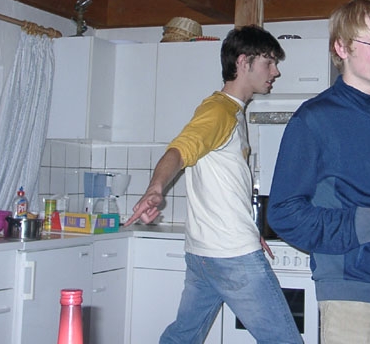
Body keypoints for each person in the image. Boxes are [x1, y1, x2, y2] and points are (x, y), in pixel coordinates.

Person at [267, 0, 370, 344]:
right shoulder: (313, 119)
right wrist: (366, 223)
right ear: (341, 48)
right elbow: (284, 213)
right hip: (354, 298)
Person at [125, 25, 302, 344]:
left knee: (183, 337)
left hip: (203, 254)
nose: (275, 72)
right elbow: (179, 151)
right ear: (244, 62)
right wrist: (155, 189)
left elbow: (222, 183)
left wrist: (250, 229)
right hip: (232, 254)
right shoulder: (219, 110)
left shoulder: (230, 111)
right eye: (269, 62)